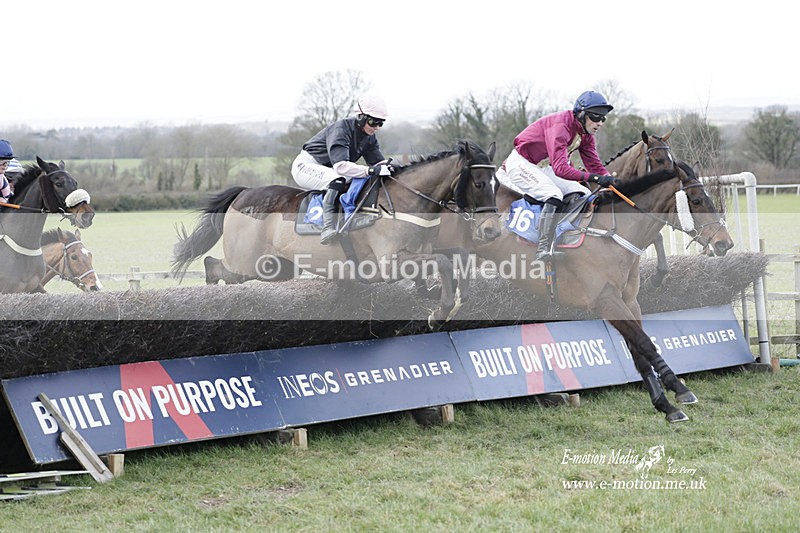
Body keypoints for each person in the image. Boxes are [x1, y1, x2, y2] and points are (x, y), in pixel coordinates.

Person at [496, 90, 617, 261]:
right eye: (596, 117)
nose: (600, 123)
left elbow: (594, 165)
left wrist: (610, 181)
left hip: (545, 168)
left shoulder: (587, 135)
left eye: (603, 118)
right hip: (521, 163)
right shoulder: (562, 126)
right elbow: (561, 169)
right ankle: (544, 248)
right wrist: (596, 179)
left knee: (584, 193)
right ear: (581, 114)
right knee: (553, 195)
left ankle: (565, 236)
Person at [291, 94, 393, 245]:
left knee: (355, 180)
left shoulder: (369, 136)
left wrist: (393, 167)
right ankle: (327, 227)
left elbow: (379, 164)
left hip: (329, 168)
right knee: (337, 180)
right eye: (373, 122)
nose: (376, 128)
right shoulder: (341, 129)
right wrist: (369, 171)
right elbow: (341, 166)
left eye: (380, 123)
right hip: (306, 165)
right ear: (360, 117)